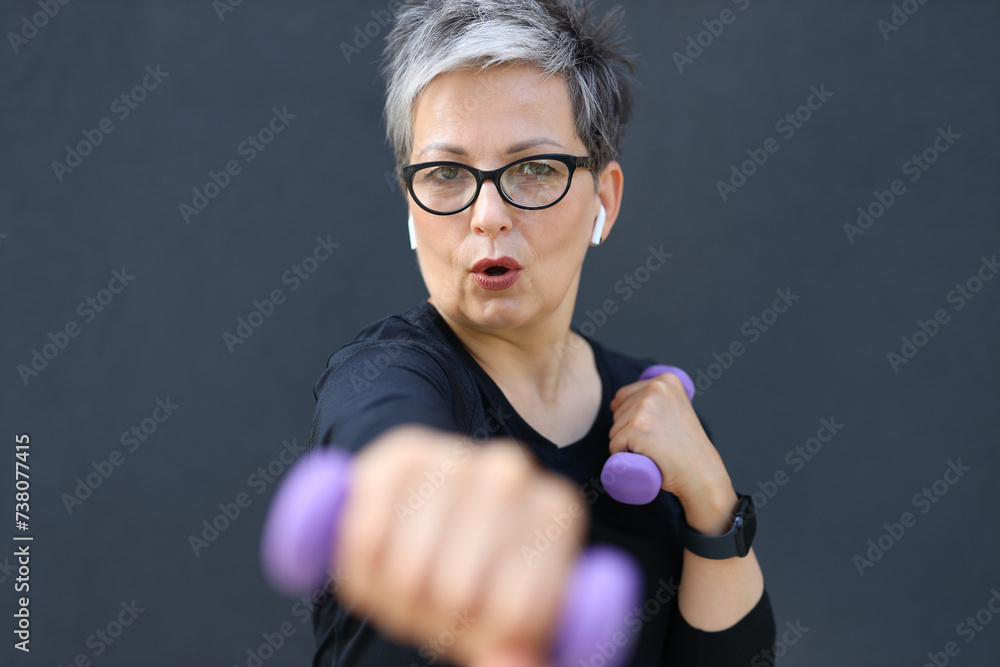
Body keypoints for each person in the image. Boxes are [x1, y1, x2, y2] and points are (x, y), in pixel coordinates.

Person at [309, 1, 775, 665]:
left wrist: (711, 501)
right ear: (411, 205)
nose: (488, 214)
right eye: (445, 174)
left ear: (603, 200)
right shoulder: (386, 372)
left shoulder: (651, 408)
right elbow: (382, 435)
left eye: (534, 169)